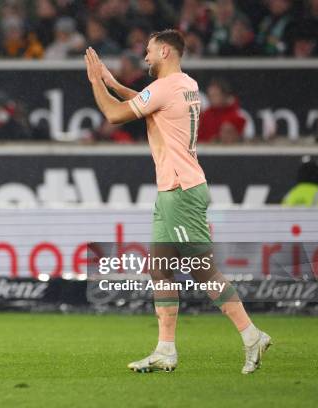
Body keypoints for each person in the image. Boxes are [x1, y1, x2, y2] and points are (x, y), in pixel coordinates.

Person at [84, 29, 271, 374]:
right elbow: (147, 101)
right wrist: (112, 81)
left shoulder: (169, 87)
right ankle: (165, 350)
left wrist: (96, 82)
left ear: (166, 52)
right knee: (161, 269)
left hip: (180, 191)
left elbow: (115, 115)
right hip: (176, 189)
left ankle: (251, 335)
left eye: (149, 51)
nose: (145, 57)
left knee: (202, 270)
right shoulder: (186, 84)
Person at [198, 78, 246, 144]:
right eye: (210, 96)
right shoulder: (206, 115)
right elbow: (199, 139)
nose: (212, 99)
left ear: (224, 95)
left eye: (215, 95)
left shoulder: (236, 115)